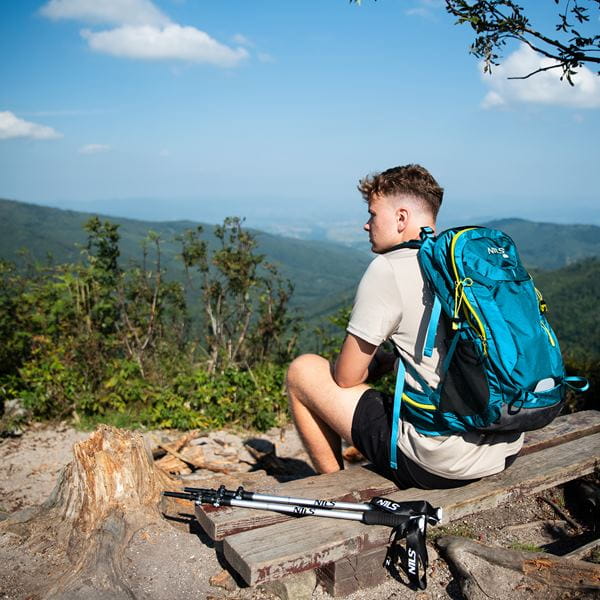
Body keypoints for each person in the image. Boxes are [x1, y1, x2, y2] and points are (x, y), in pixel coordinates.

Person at [286, 164, 523, 489]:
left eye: (373, 214)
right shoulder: (463, 265)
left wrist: (373, 365)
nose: (366, 224)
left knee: (303, 370)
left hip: (440, 462)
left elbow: (346, 378)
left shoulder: (388, 268)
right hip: (504, 445)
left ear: (401, 218)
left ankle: (335, 488)